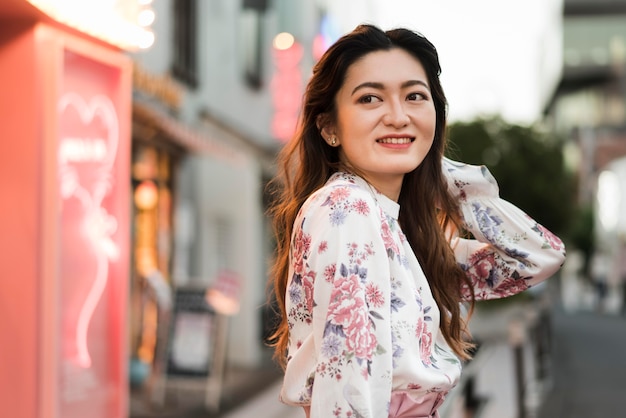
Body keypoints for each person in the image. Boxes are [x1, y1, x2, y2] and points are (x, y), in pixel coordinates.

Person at [266, 24, 566, 418]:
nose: (398, 116)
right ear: (329, 127)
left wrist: (436, 172)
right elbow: (350, 389)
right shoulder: (347, 209)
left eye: (415, 97)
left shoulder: (400, 232)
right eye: (370, 98)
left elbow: (538, 256)